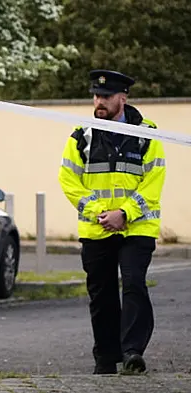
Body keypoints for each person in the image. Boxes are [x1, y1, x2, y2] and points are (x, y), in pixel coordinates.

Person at [58, 69, 166, 375]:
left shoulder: (148, 133)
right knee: (101, 293)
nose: (99, 102)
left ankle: (132, 351)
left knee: (133, 283)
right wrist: (99, 213)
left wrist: (125, 213)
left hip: (137, 227)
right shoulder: (82, 135)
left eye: (105, 96)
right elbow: (69, 180)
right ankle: (106, 357)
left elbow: (153, 181)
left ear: (123, 97)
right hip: (97, 228)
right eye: (95, 96)